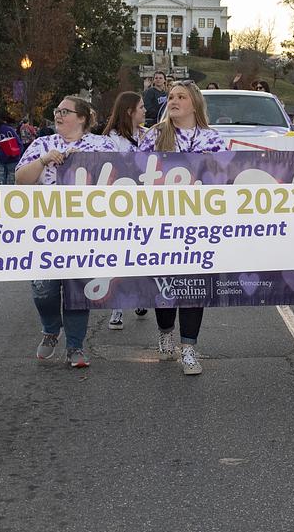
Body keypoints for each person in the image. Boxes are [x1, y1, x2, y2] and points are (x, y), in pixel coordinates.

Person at [16, 95, 115, 368]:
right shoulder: (43, 144)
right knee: (42, 289)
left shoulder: (102, 145)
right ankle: (50, 328)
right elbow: (20, 180)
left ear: (82, 118)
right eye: (57, 111)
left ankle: (75, 346)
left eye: (65, 111)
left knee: (76, 290)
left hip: (85, 231)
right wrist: (44, 161)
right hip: (45, 229)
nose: (58, 115)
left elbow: (123, 177)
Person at [139, 82, 226, 375]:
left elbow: (223, 179)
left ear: (195, 104)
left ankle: (189, 348)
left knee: (193, 286)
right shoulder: (153, 136)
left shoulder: (213, 139)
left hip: (198, 225)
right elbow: (138, 174)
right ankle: (165, 331)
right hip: (160, 223)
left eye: (181, 97)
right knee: (164, 285)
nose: (174, 101)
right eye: (172, 97)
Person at [101, 91, 150, 330]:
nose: (145, 111)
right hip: (118, 204)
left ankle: (141, 295)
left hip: (146, 204)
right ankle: (117, 306)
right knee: (119, 255)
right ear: (130, 111)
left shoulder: (148, 136)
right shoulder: (110, 140)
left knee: (142, 252)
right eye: (141, 107)